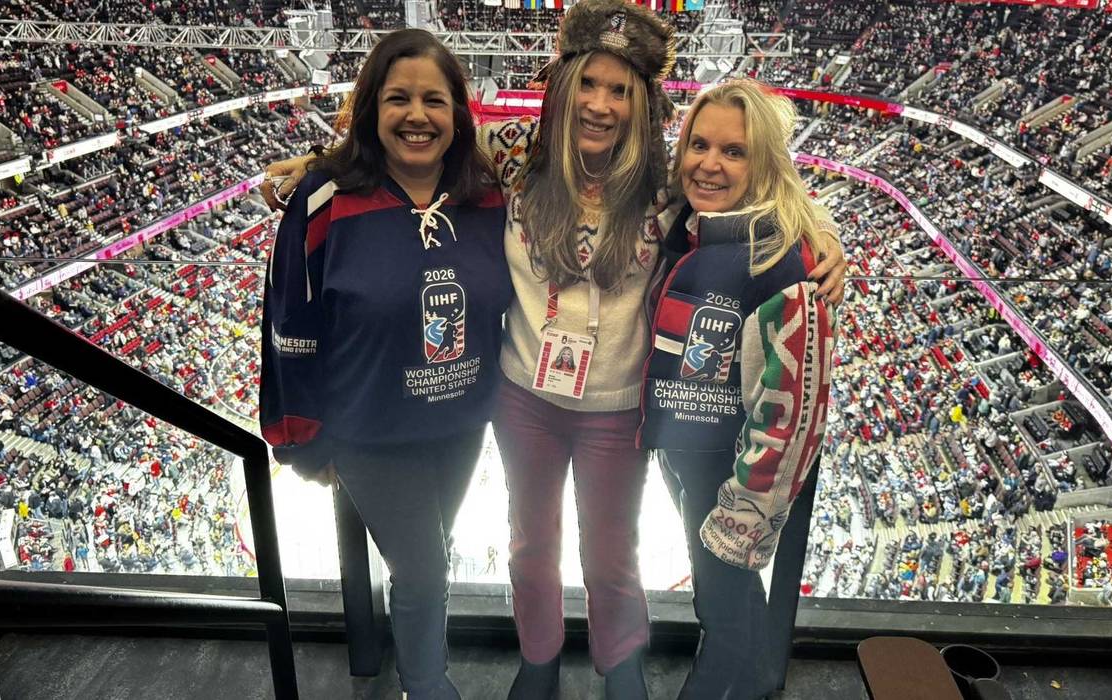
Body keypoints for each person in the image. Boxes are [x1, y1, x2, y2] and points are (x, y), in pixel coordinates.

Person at [260, 3, 846, 697]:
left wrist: (823, 239)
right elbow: (411, 152)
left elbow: (757, 192)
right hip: (522, 398)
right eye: (588, 85)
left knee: (610, 556)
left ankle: (618, 662)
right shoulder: (512, 156)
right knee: (530, 548)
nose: (600, 105)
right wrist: (318, 166)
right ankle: (537, 658)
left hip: (617, 404)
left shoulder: (668, 181)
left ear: (641, 102)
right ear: (563, 88)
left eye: (619, 90)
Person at [258, 29, 511, 699]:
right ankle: (426, 686)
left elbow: (577, 143)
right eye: (397, 98)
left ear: (459, 112)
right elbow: (290, 325)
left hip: (460, 426)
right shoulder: (323, 201)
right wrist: (300, 442)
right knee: (425, 572)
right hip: (368, 433)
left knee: (428, 554)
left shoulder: (490, 198)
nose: (417, 115)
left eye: (434, 99)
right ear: (370, 108)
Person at [638, 81, 839, 700]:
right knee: (722, 597)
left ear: (765, 163)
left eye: (734, 151)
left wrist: (746, 510)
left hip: (726, 474)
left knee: (723, 610)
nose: (710, 163)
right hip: (684, 452)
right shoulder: (683, 223)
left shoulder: (781, 258)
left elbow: (792, 411)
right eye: (698, 144)